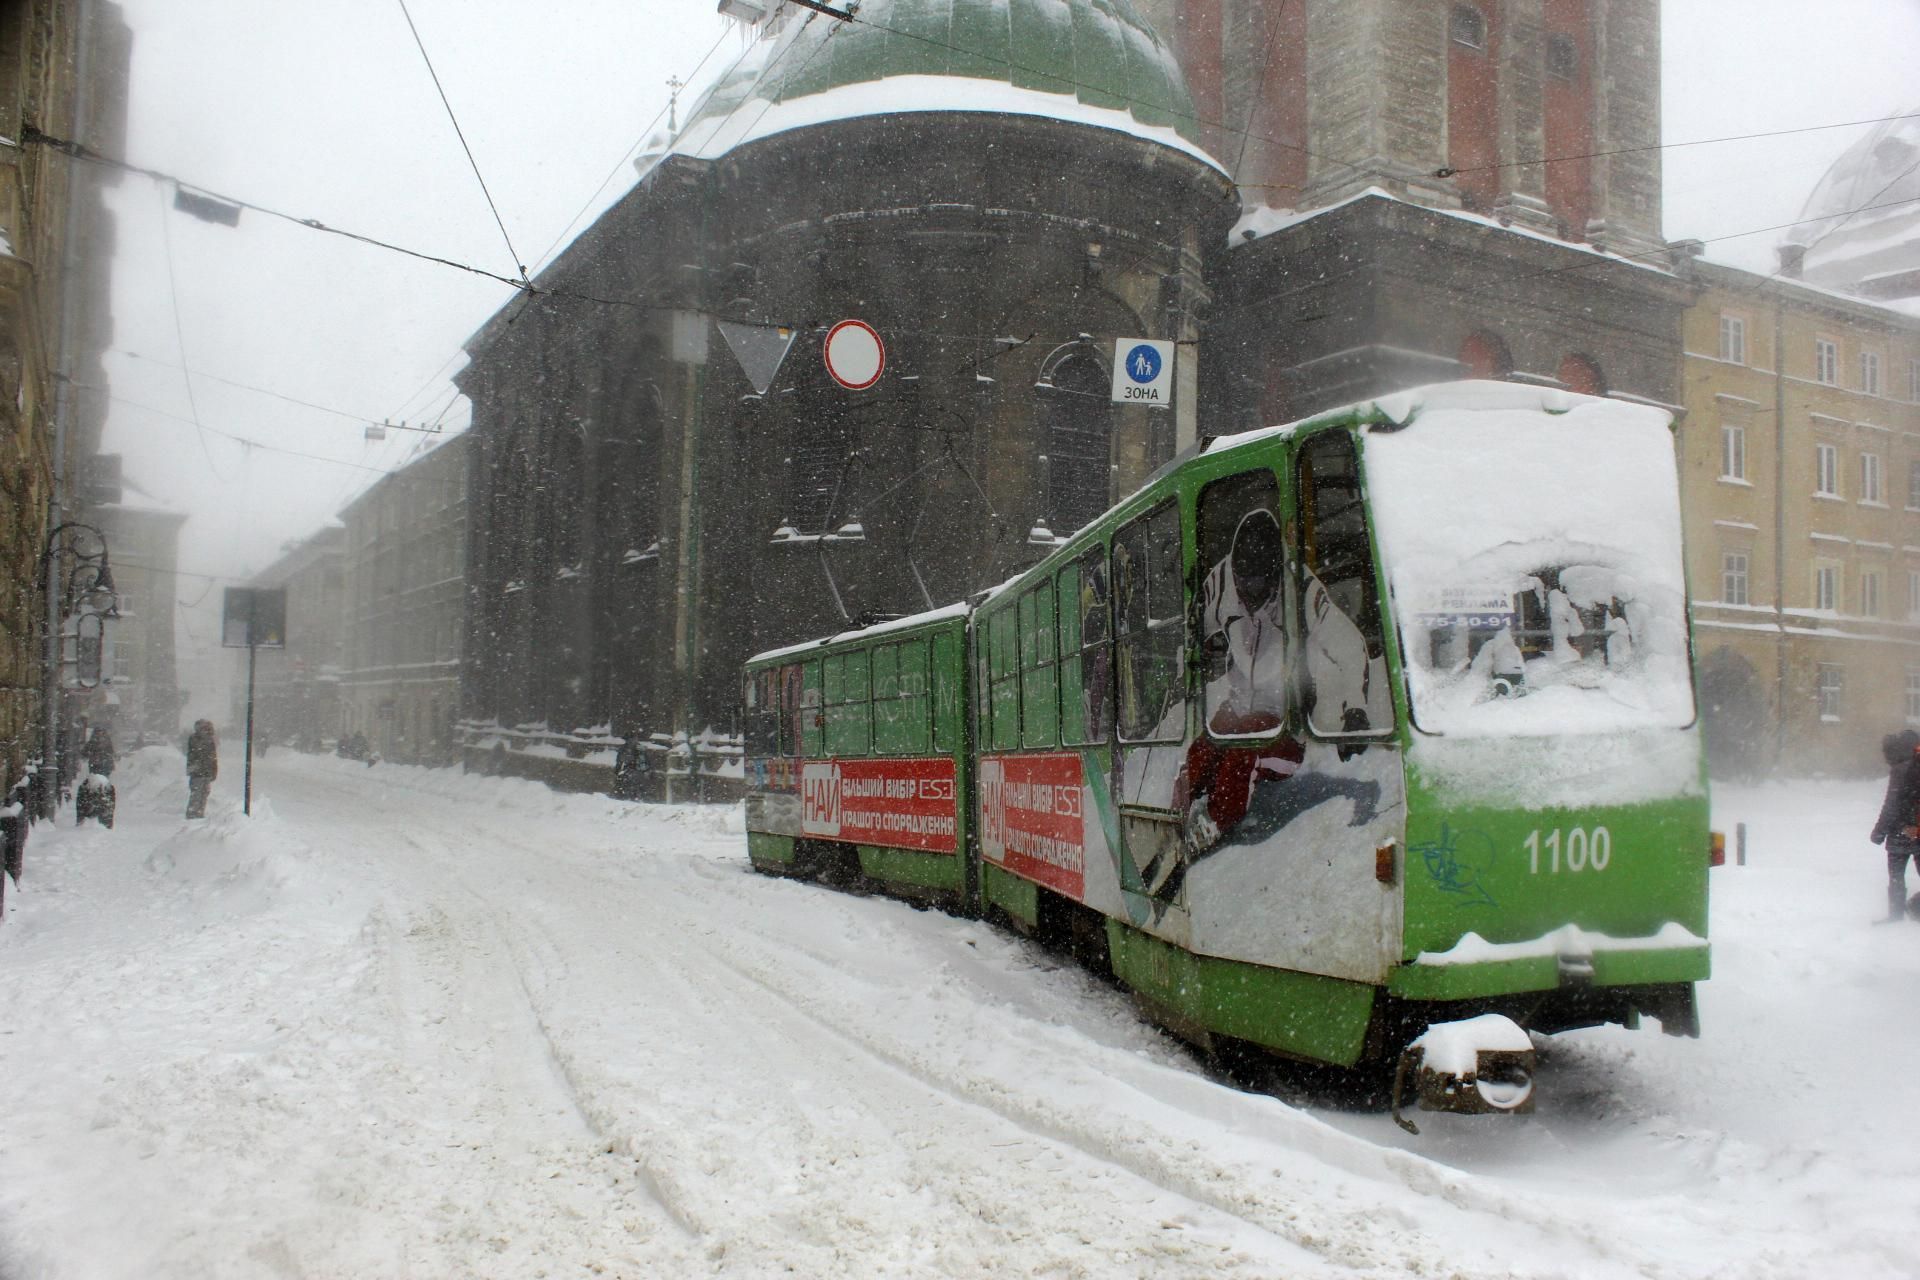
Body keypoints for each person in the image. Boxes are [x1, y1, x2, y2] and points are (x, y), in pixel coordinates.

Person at [185, 720, 218, 819]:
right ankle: (192, 813)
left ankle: (199, 812)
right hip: (198, 771)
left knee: (204, 793)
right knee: (197, 793)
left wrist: (214, 770)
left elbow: (213, 757)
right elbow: (201, 754)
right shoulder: (195, 738)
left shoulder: (209, 740)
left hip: (204, 771)